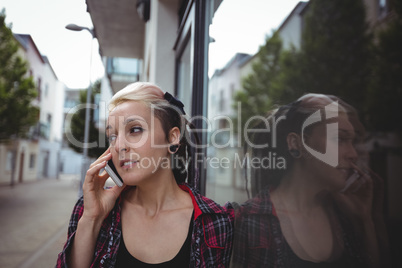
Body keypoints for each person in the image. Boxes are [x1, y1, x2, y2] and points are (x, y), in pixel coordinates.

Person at [56, 82, 234, 267]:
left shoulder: (215, 221)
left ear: (172, 138)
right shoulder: (92, 209)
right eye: (113, 136)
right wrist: (92, 219)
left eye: (134, 130)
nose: (118, 146)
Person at [231, 94, 389, 267]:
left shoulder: (345, 212)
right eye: (340, 139)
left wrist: (366, 220)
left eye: (352, 141)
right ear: (297, 143)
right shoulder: (251, 220)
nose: (353, 154)